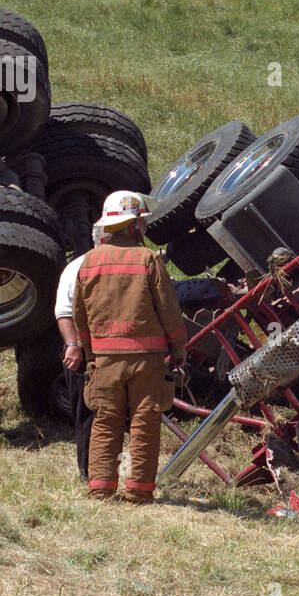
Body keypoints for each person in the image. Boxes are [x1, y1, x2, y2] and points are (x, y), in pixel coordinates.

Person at [72, 192, 187, 503]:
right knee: (144, 424)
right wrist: (179, 348)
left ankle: (100, 489)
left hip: (105, 360)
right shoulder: (148, 259)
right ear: (135, 225)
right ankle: (137, 492)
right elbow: (168, 310)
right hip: (146, 361)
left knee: (105, 421)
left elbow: (79, 313)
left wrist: (89, 350)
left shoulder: (89, 261)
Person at [55, 224, 107, 479]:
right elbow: (64, 311)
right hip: (85, 352)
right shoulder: (78, 267)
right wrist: (73, 347)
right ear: (103, 240)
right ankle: (88, 473)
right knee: (87, 412)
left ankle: (113, 470)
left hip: (116, 351)